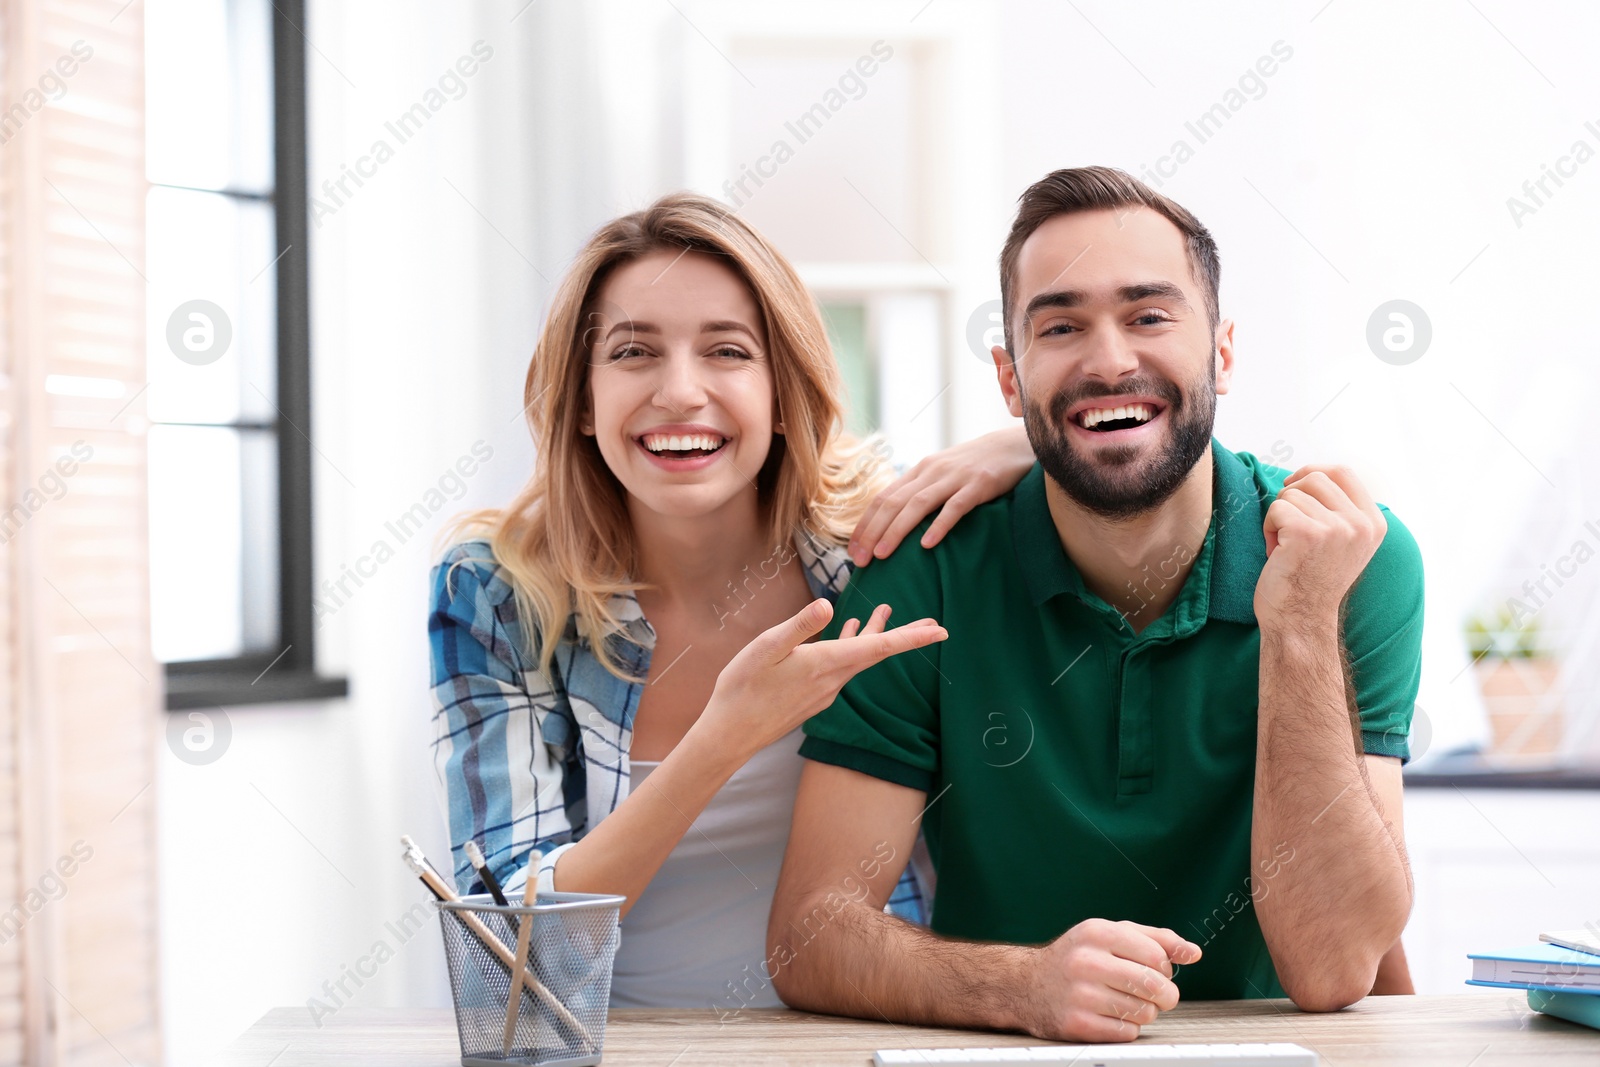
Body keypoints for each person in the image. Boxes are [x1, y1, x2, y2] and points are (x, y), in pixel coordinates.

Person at [768, 166, 1424, 1041]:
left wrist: (1299, 622)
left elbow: (1334, 964)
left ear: (1222, 352)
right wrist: (1022, 987)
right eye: (1062, 325)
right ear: (1011, 377)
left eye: (1150, 315)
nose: (1110, 359)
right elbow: (810, 936)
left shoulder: (1352, 562)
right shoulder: (922, 571)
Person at [428, 191, 1037, 1010]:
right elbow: (508, 949)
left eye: (726, 351)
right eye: (634, 352)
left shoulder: (884, 556)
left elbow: (1170, 469)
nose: (681, 392)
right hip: (610, 1050)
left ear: (784, 391)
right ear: (581, 399)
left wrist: (1030, 443)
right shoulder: (496, 592)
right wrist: (724, 735)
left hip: (851, 1039)